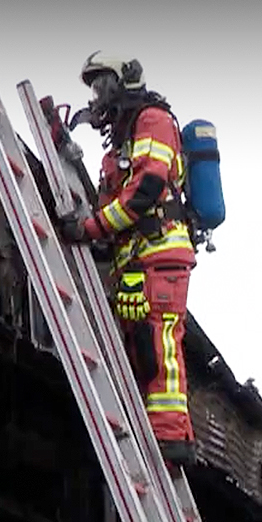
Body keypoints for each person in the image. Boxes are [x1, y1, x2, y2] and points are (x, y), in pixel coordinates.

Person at [60, 52, 200, 467]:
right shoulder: (120, 142)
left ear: (125, 81)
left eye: (103, 85)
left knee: (159, 337)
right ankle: (154, 429)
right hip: (135, 259)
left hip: (160, 252)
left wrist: (91, 229)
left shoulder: (152, 120)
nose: (97, 96)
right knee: (141, 343)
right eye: (93, 88)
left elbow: (147, 187)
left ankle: (172, 437)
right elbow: (115, 202)